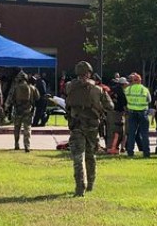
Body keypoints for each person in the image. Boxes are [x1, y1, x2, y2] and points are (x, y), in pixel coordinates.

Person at [65, 61, 113, 197]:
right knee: (91, 155)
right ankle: (91, 183)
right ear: (90, 73)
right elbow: (110, 106)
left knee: (78, 156)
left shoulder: (69, 87)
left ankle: (80, 186)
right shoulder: (98, 90)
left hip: (76, 125)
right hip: (92, 126)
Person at [5, 72, 40, 152]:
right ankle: (27, 146)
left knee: (17, 128)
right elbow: (37, 97)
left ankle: (16, 144)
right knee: (27, 128)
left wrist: (6, 106)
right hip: (28, 110)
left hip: (18, 110)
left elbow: (10, 98)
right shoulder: (31, 87)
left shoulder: (15, 87)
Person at [124, 72, 151, 158]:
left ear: (132, 80)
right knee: (144, 134)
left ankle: (130, 152)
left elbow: (125, 99)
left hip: (132, 112)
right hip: (143, 112)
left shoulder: (128, 89)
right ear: (140, 80)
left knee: (131, 133)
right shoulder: (144, 89)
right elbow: (149, 100)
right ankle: (146, 153)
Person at [105, 77, 128, 153]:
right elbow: (124, 104)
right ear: (123, 84)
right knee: (118, 131)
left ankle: (109, 147)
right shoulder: (121, 91)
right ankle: (114, 148)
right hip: (118, 113)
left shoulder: (111, 90)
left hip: (109, 112)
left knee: (109, 130)